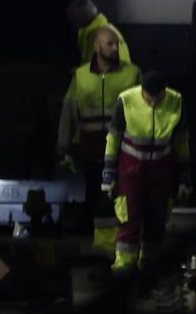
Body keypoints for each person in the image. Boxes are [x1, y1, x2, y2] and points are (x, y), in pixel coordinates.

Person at [58, 27, 141, 256]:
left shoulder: (132, 74)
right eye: (109, 44)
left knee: (120, 198)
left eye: (117, 44)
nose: (115, 48)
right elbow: (69, 112)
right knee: (96, 198)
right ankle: (102, 250)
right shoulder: (81, 76)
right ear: (97, 47)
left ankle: (119, 246)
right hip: (92, 150)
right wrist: (63, 147)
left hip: (124, 150)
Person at [102, 71, 190, 276]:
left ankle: (151, 268)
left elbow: (182, 142)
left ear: (164, 92)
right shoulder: (126, 101)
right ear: (142, 90)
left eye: (158, 98)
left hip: (161, 170)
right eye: (149, 97)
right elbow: (113, 139)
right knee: (129, 220)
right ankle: (124, 268)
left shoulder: (176, 101)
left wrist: (185, 176)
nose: (153, 102)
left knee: (157, 221)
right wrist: (109, 174)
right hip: (130, 171)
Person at [67, 0, 131, 65]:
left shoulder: (103, 37)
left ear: (82, 18)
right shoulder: (87, 32)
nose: (71, 22)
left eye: (74, 18)